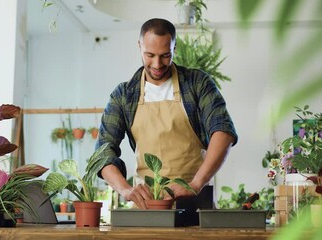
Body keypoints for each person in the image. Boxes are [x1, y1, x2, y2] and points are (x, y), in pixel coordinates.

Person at [96, 18, 237, 225]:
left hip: (195, 204)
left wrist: (195, 184)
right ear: (139, 46)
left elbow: (222, 132)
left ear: (174, 47)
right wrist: (125, 189)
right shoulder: (124, 95)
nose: (157, 64)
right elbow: (103, 152)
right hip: (148, 206)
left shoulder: (197, 83)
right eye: (149, 55)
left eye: (165, 56)